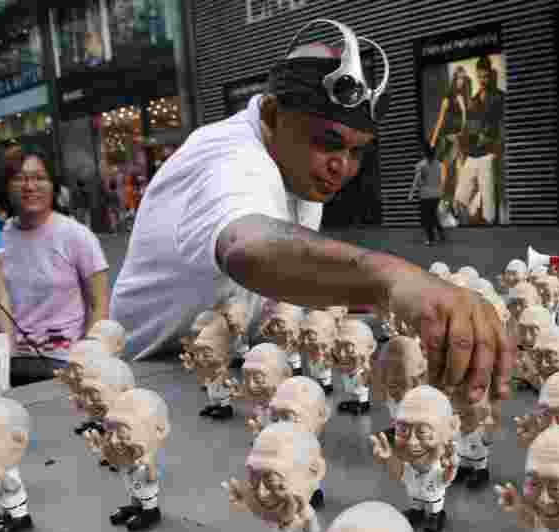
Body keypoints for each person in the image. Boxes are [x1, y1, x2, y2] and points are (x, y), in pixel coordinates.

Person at [110, 19, 511, 405]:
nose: (343, 167)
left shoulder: (298, 169)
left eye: (357, 151)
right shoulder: (230, 156)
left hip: (236, 365)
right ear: (271, 115)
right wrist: (391, 279)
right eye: (327, 143)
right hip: (150, 381)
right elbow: (247, 248)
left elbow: (291, 279)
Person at [0, 146, 111, 387]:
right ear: (6, 186)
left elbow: (99, 304)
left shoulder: (76, 235)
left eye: (39, 178)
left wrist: (87, 358)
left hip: (64, 364)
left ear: (53, 185)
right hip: (11, 364)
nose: (30, 186)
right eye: (20, 178)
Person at [453, 56, 505, 225]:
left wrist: (497, 150)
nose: (483, 80)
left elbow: (504, 126)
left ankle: (489, 233)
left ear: (491, 74)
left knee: (489, 211)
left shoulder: (500, 97)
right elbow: (470, 128)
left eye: (486, 76)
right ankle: (469, 224)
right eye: (480, 76)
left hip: (488, 155)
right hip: (472, 155)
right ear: (476, 75)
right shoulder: (474, 100)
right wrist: (462, 150)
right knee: (458, 201)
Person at [428, 66, 471, 209]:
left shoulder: (463, 97)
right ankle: (442, 202)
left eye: (463, 78)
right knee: (445, 173)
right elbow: (440, 120)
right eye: (459, 78)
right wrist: (433, 141)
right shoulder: (447, 98)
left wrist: (463, 108)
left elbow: (464, 121)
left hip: (457, 138)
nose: (461, 81)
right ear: (454, 79)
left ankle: (455, 203)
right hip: (446, 138)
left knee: (459, 169)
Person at [408, 141, 445, 245]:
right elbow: (440, 180)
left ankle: (431, 239)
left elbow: (417, 180)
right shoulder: (439, 164)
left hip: (425, 194)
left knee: (426, 217)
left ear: (424, 153)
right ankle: (440, 232)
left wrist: (411, 193)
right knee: (432, 215)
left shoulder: (421, 165)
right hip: (436, 194)